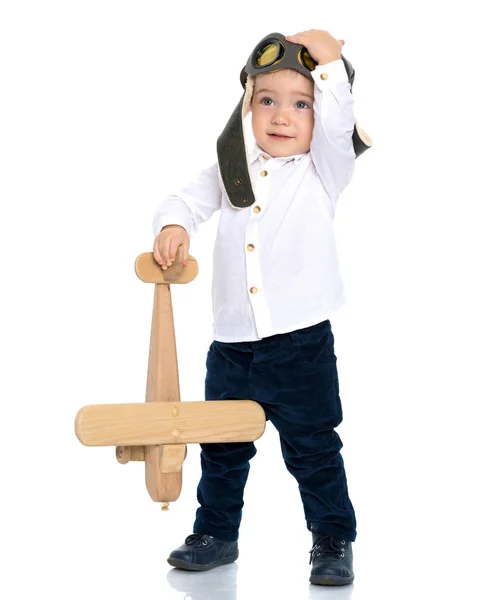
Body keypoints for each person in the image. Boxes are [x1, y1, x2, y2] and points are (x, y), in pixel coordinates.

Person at [151, 29, 371, 586]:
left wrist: (328, 59)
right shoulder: (233, 173)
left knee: (314, 449)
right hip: (232, 348)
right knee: (222, 450)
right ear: (247, 107)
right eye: (266, 100)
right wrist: (174, 225)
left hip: (301, 345)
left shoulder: (325, 171)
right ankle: (216, 534)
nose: (281, 116)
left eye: (301, 105)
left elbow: (339, 120)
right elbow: (183, 198)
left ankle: (331, 539)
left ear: (319, 116)